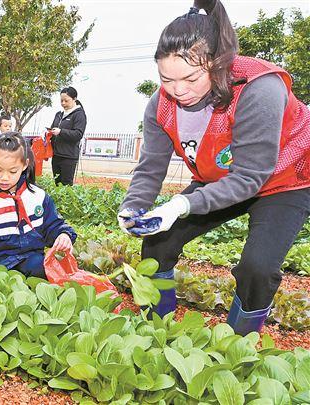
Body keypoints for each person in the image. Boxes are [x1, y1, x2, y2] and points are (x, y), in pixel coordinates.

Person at [118, 0, 310, 336]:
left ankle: (235, 348)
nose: (178, 90)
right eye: (166, 78)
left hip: (287, 176)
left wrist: (179, 204)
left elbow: (250, 177)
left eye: (190, 78)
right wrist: (132, 207)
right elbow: (151, 167)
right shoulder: (161, 105)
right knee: (159, 243)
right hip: (224, 180)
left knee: (258, 267)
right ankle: (157, 334)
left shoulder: (258, 89)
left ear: (217, 63)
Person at [0, 132, 76, 277]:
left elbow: (53, 225)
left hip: (33, 263)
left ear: (25, 165)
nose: (4, 177)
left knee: (51, 273)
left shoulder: (38, 197)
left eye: (13, 171)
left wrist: (63, 234)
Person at [49, 87, 87, 186]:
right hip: (56, 155)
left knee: (66, 185)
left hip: (68, 157)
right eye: (61, 101)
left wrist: (61, 132)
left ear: (74, 99)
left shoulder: (79, 114)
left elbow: (78, 134)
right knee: (57, 184)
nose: (63, 103)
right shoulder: (59, 115)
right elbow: (53, 128)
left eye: (66, 100)